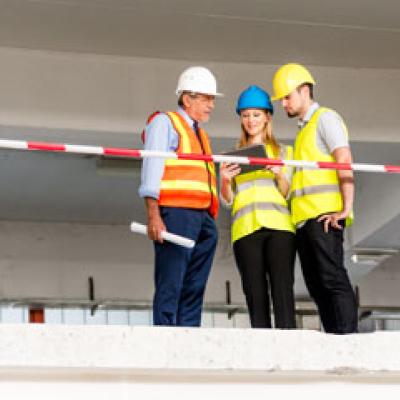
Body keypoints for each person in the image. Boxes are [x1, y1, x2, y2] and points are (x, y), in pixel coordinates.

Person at [271, 63, 358, 334]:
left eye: (287, 96)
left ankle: (348, 342)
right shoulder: (303, 133)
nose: (283, 103)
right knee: (317, 286)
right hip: (305, 222)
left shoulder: (325, 119)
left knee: (332, 279)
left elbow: (344, 159)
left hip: (324, 217)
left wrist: (346, 209)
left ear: (304, 90)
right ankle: (335, 340)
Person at [139, 66, 221, 327]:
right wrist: (153, 214)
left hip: (202, 218)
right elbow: (152, 166)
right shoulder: (165, 122)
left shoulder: (201, 134)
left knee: (194, 286)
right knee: (171, 281)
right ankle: (165, 337)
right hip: (176, 213)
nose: (211, 105)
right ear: (188, 99)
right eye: (206, 98)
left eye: (212, 99)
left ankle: (188, 337)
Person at [220, 85, 296, 329]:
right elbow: (227, 200)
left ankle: (288, 346)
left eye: (256, 114)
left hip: (280, 229)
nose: (250, 120)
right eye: (245, 115)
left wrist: (279, 173)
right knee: (255, 293)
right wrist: (223, 179)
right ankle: (262, 351)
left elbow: (287, 193)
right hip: (245, 231)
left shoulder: (285, 152)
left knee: (282, 290)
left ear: (267, 117)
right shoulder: (230, 156)